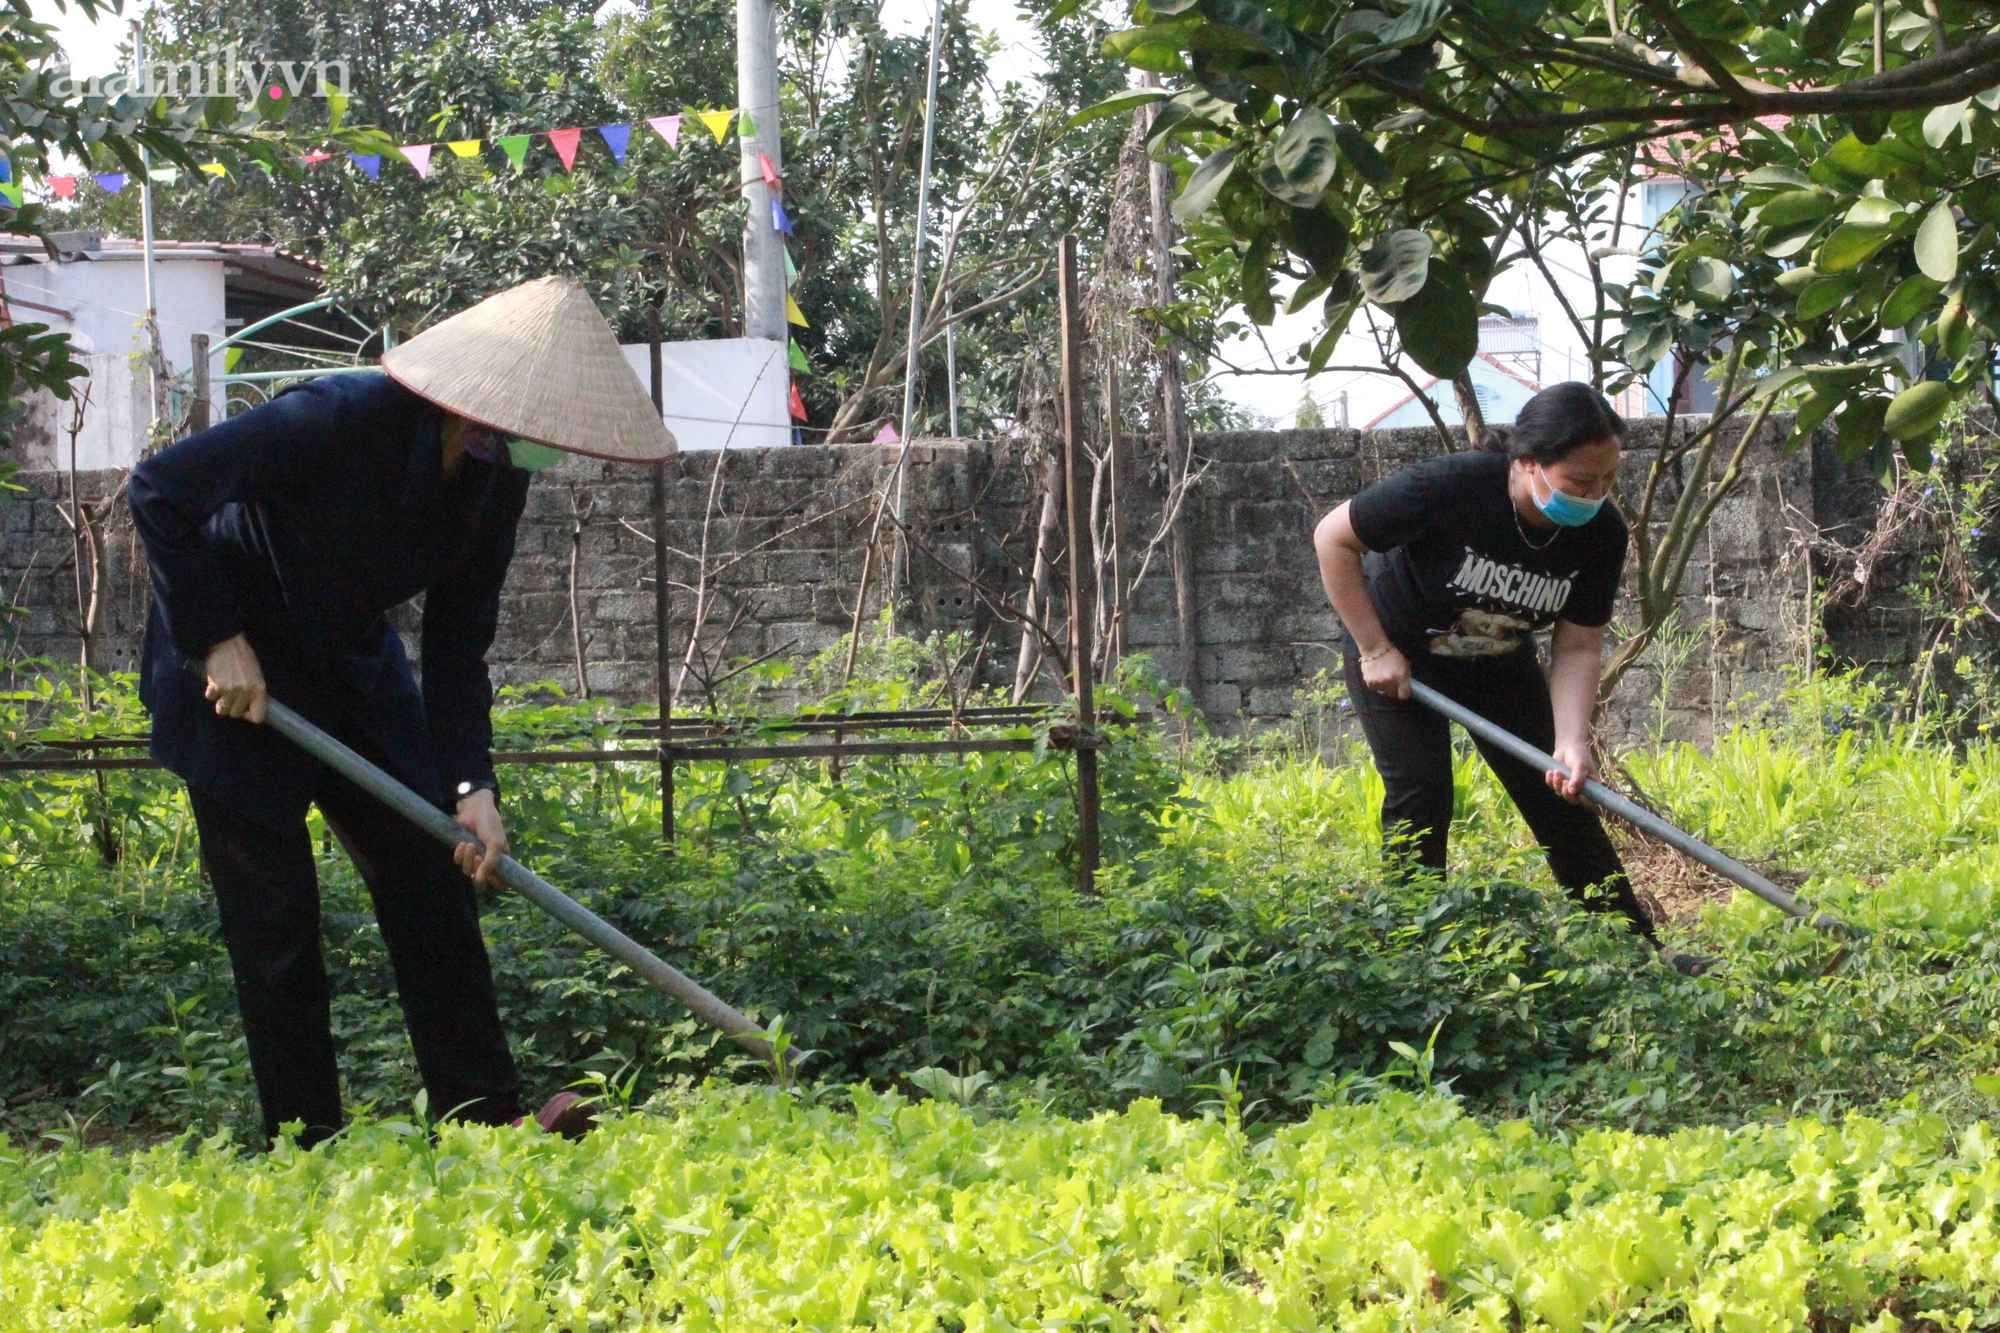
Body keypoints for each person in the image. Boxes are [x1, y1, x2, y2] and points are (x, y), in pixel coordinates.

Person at [128, 275, 676, 1147]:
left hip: (348, 661)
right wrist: (219, 637)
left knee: (434, 871)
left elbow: (460, 639)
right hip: (232, 673)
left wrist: (471, 782)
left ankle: (485, 1120)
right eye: (540, 433)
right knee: (278, 926)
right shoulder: (336, 417)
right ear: (483, 410)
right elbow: (159, 489)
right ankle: (307, 1149)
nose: (547, 450)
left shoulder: (498, 482)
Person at [1311, 382, 1709, 975]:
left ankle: (1638, 959)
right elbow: (1333, 538)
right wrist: (1373, 648)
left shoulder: (1600, 534)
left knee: (1561, 797)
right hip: (1398, 654)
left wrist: (1570, 740)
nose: (1596, 496)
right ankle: (1412, 964)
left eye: (1607, 482)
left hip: (1495, 659)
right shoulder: (1452, 486)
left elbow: (1578, 643)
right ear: (1527, 464)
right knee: (1421, 795)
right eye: (1579, 482)